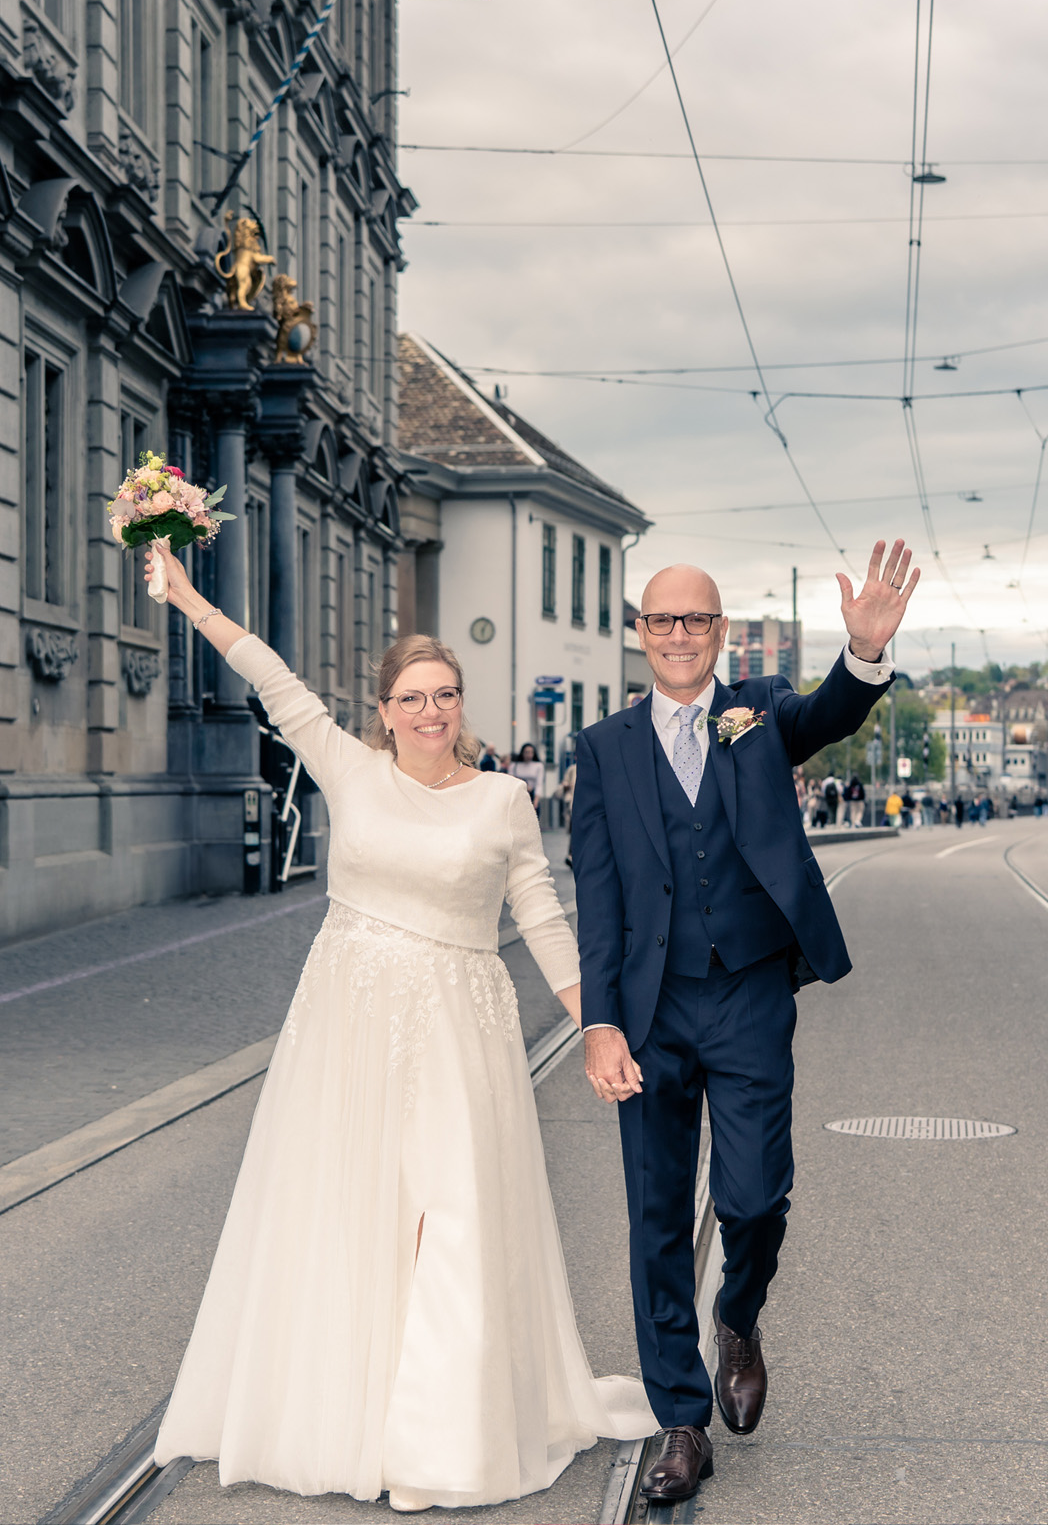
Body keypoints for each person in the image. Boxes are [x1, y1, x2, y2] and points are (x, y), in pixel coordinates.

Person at [148, 549, 655, 1509]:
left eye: (447, 695)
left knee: (449, 1218)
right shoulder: (345, 766)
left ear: (462, 706)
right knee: (354, 1212)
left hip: (461, 1031)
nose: (431, 711)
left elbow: (543, 918)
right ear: (383, 710)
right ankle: (348, 1411)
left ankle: (441, 1439)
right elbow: (269, 674)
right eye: (414, 697)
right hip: (348, 1027)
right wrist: (187, 599)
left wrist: (598, 1023)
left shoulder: (504, 802)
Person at [572, 538, 918, 1502]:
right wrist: (600, 1022)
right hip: (649, 1008)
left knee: (756, 1197)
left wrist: (863, 655)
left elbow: (832, 713)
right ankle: (681, 1420)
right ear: (640, 634)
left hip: (751, 990)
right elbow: (597, 897)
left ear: (720, 632)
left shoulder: (757, 714)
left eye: (698, 619)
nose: (680, 635)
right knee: (654, 1214)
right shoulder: (600, 750)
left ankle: (740, 1314)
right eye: (662, 619)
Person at [511, 742, 545, 814]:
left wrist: (536, 800)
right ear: (522, 753)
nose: (529, 755)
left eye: (531, 752)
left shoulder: (538, 766)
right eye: (527, 752)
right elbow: (511, 781)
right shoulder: (515, 765)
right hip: (518, 795)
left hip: (531, 795)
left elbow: (539, 784)